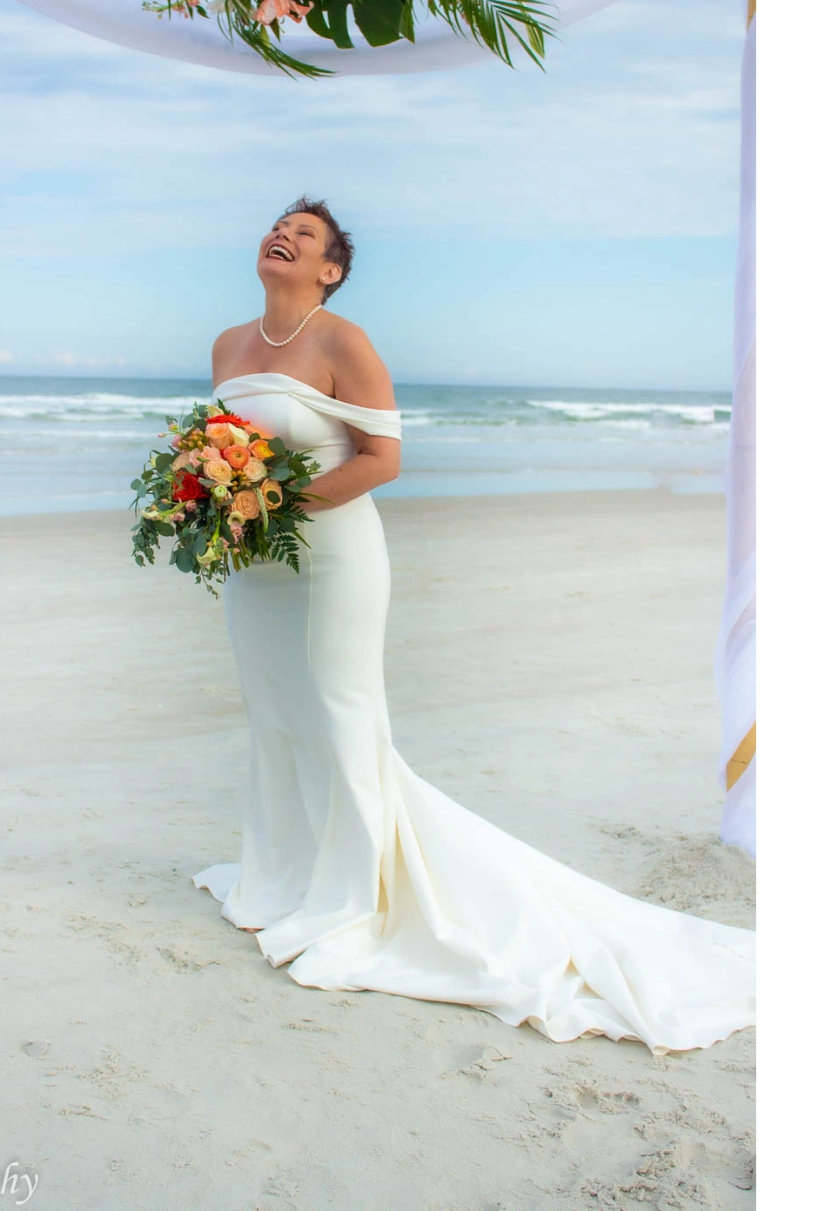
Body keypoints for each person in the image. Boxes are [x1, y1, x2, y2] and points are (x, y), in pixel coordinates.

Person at [194, 196, 764, 1054]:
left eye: (305, 235)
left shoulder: (343, 341)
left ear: (330, 269)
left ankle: (353, 901)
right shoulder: (226, 345)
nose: (285, 236)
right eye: (280, 226)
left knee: (341, 717)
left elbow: (383, 460)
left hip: (334, 559)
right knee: (276, 718)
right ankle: (279, 880)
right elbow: (216, 447)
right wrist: (216, 507)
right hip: (258, 569)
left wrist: (271, 507)